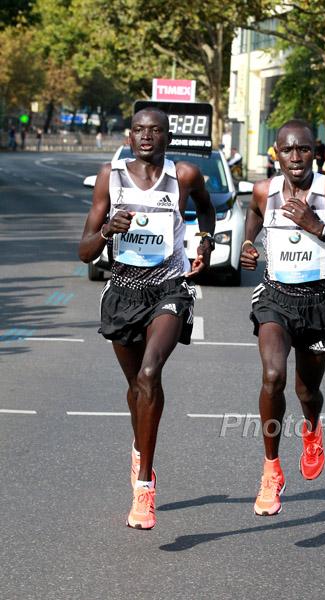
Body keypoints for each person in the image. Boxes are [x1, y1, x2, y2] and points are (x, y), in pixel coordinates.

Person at [79, 108, 216, 530]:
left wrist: (205, 241)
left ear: (167, 137)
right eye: (139, 130)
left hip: (169, 288)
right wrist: (108, 230)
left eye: (155, 130)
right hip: (123, 291)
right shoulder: (110, 177)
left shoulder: (185, 175)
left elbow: (206, 209)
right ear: (129, 136)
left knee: (150, 373)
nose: (146, 136)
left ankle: (144, 487)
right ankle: (140, 446)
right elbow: (84, 251)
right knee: (136, 386)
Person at [240, 119, 325, 517]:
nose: (295, 157)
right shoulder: (264, 191)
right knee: (272, 376)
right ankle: (271, 470)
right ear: (276, 154)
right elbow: (253, 213)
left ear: (315, 152)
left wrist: (320, 229)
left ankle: (312, 430)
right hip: (274, 297)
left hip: (316, 302)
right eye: (287, 150)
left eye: (303, 149)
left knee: (307, 392)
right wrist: (248, 242)